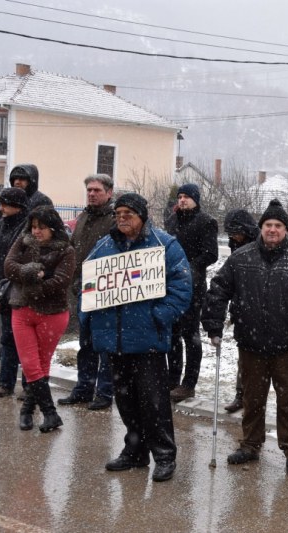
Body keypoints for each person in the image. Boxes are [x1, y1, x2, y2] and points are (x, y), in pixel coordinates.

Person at [202, 198, 288, 476]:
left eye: (278, 225)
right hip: (251, 344)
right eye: (268, 224)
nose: (272, 229)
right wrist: (214, 324)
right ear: (261, 228)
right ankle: (250, 445)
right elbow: (219, 290)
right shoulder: (241, 258)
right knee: (253, 398)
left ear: (286, 230)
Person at [80, 193, 192, 483]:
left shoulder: (164, 244)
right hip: (114, 339)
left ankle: (165, 456)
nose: (122, 217)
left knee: (155, 402)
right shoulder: (103, 247)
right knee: (126, 400)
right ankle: (135, 451)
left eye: (128, 212)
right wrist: (88, 325)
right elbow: (87, 287)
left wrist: (159, 316)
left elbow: (181, 286)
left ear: (142, 215)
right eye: (118, 212)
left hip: (148, 340)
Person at [4, 206, 75, 432]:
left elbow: (61, 281)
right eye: (34, 226)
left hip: (52, 313)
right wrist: (33, 272)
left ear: (53, 228)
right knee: (30, 364)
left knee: (41, 364)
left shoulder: (66, 250)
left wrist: (32, 286)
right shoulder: (23, 241)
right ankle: (50, 413)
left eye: (42, 227)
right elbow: (9, 267)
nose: (36, 231)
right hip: (21, 310)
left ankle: (27, 410)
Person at [58, 174, 116, 411]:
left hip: (106, 291)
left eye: (97, 190)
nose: (92, 194)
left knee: (105, 346)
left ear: (109, 193)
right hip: (83, 290)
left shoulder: (114, 220)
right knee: (86, 344)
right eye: (89, 190)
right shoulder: (82, 217)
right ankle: (83, 388)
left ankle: (104, 393)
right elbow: (73, 250)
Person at [165, 183, 219, 402]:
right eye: (180, 196)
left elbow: (211, 254)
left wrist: (189, 267)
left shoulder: (206, 222)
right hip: (170, 285)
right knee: (172, 335)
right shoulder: (172, 221)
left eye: (187, 196)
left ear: (196, 199)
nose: (182, 200)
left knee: (190, 334)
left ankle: (189, 383)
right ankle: (172, 379)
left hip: (193, 287)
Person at [0, 187, 29, 398]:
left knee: (27, 341)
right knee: (8, 338)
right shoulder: (0, 226)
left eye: (5, 204)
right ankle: (6, 383)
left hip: (24, 292)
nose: (1, 208)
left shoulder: (28, 228)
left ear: (17, 207)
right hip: (4, 292)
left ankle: (31, 387)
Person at [220, 208, 258, 414]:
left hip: (258, 308)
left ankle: (249, 398)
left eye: (235, 231)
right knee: (243, 357)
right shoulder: (236, 248)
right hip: (242, 308)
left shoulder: (258, 247)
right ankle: (241, 395)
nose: (232, 236)